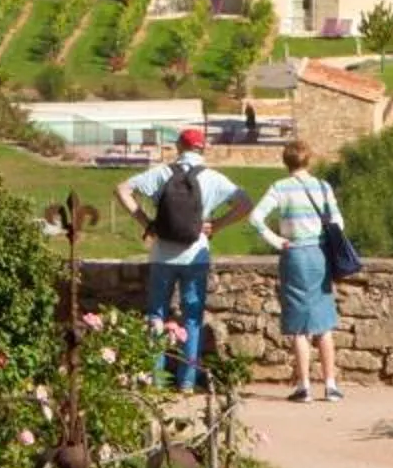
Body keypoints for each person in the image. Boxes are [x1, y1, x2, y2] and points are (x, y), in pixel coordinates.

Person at [116, 125, 248, 391]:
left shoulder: (162, 173)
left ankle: (156, 377)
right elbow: (245, 203)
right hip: (195, 257)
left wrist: (146, 222)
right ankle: (187, 380)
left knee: (156, 314)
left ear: (179, 147)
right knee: (192, 317)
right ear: (202, 148)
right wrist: (218, 224)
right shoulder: (212, 178)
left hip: (162, 254)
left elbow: (122, 190)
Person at [249, 139, 345, 402]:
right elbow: (338, 221)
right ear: (309, 160)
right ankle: (331, 385)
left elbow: (255, 218)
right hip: (320, 254)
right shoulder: (323, 187)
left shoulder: (280, 188)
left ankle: (304, 386)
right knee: (324, 321)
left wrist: (277, 241)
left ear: (285, 161)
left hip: (294, 255)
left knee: (299, 324)